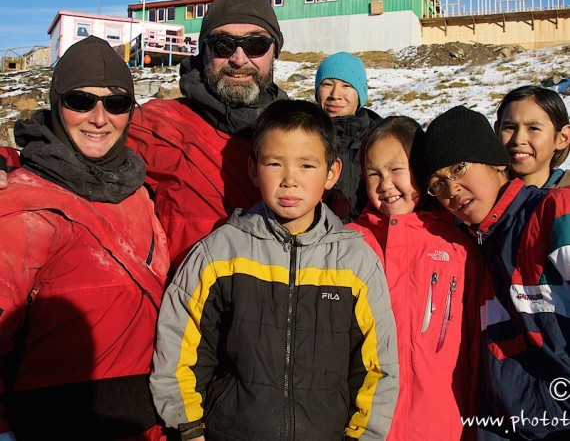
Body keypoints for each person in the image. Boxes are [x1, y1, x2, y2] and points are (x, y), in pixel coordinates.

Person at [150, 99, 399, 441]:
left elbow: (377, 367)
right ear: (253, 169)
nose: (289, 180)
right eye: (274, 163)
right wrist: (189, 429)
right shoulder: (219, 253)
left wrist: (363, 435)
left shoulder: (355, 261)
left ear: (332, 173)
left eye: (307, 166)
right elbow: (180, 349)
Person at [0, 36, 170, 440]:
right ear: (56, 103)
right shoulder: (23, 207)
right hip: (52, 425)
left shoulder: (138, 192)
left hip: (144, 425)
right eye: (80, 101)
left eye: (116, 103)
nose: (99, 117)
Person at [423, 105, 570, 440]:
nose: (451, 189)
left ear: (495, 161)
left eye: (458, 168)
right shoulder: (474, 251)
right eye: (437, 183)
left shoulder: (552, 213)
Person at [126, 0, 288, 270]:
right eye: (223, 45)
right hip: (188, 308)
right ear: (204, 51)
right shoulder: (154, 126)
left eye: (255, 45)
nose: (239, 59)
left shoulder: (301, 137)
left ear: (274, 52)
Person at [347, 116, 477, 441]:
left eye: (396, 170)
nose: (385, 184)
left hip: (442, 422)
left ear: (419, 169)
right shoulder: (349, 242)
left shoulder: (457, 246)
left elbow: (475, 344)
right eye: (373, 173)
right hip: (364, 424)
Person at [315, 51, 380, 222]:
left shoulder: (381, 138)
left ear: (360, 94)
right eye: (327, 84)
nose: (335, 94)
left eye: (346, 85)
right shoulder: (304, 136)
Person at [494, 85, 570, 188]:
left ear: (563, 138)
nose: (518, 139)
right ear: (497, 131)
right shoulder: (480, 195)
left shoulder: (565, 198)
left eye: (533, 128)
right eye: (510, 127)